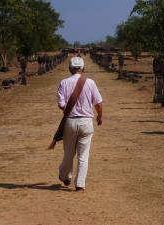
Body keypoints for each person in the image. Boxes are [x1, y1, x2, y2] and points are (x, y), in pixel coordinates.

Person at [57, 57, 103, 191]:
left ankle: (65, 176)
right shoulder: (90, 83)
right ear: (83, 68)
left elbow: (61, 105)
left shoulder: (63, 83)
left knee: (68, 152)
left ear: (70, 68)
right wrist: (100, 116)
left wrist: (70, 110)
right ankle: (80, 184)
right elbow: (98, 103)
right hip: (87, 122)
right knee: (83, 155)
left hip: (70, 121)